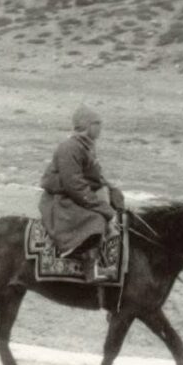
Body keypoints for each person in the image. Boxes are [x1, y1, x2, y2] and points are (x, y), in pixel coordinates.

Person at [38, 104, 124, 283]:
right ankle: (88, 265)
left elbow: (94, 177)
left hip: (77, 194)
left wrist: (111, 189)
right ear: (86, 125)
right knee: (95, 220)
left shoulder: (86, 147)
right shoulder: (69, 148)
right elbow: (73, 185)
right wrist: (103, 209)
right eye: (96, 123)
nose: (100, 128)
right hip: (62, 199)